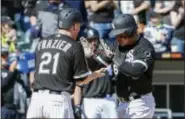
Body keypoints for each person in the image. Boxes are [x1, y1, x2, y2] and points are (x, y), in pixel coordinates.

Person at [26, 8, 105, 118]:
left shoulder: (41, 43)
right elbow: (81, 80)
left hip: (36, 100)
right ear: (74, 26)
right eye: (78, 26)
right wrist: (95, 75)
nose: (79, 29)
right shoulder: (74, 46)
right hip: (57, 101)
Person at [108, 14, 156, 118]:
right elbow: (101, 63)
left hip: (140, 103)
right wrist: (93, 54)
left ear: (128, 32)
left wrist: (114, 58)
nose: (117, 38)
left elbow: (135, 71)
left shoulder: (144, 46)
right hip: (122, 103)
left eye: (119, 35)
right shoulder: (116, 45)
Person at [79, 27, 117, 118]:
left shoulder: (106, 54)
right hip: (89, 100)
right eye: (90, 40)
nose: (93, 43)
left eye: (95, 40)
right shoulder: (80, 58)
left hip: (108, 99)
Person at [1, 47, 19, 119]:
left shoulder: (14, 70)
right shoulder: (11, 71)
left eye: (6, 55)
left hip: (17, 108)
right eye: (2, 55)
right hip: (4, 108)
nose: (5, 58)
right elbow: (2, 85)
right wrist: (11, 72)